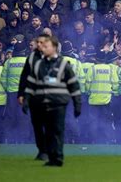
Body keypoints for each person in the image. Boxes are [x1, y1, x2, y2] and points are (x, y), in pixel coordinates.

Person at [22, 35, 81, 167]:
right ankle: (51, 156)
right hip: (42, 102)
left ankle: (58, 157)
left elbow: (73, 85)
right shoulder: (38, 65)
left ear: (54, 48)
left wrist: (77, 104)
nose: (42, 48)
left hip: (59, 102)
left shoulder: (64, 64)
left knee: (57, 130)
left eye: (46, 46)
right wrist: (26, 99)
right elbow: (31, 84)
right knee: (48, 131)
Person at [85, 50, 118, 143]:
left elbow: (87, 84)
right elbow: (115, 84)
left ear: (96, 59)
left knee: (93, 122)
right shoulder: (110, 69)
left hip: (93, 100)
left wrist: (88, 92)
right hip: (106, 100)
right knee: (107, 121)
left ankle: (94, 140)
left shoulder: (92, 69)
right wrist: (114, 93)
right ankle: (108, 140)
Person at [1, 40, 29, 143]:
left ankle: (10, 139)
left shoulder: (9, 62)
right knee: (23, 116)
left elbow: (3, 79)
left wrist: (8, 89)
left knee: (11, 116)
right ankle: (23, 140)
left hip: (12, 94)